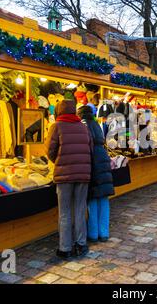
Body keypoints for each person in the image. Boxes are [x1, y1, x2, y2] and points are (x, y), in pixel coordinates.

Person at [46, 100, 93, 259]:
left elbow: (50, 151)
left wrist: (59, 162)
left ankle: (65, 248)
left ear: (58, 111)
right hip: (83, 174)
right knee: (80, 209)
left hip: (64, 175)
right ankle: (81, 244)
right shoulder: (83, 127)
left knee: (65, 212)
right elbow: (90, 149)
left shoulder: (56, 127)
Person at [77, 104, 114, 243]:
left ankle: (93, 233)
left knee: (92, 199)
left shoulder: (83, 124)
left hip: (92, 160)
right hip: (102, 159)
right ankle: (103, 233)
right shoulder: (96, 124)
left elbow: (85, 144)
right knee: (103, 199)